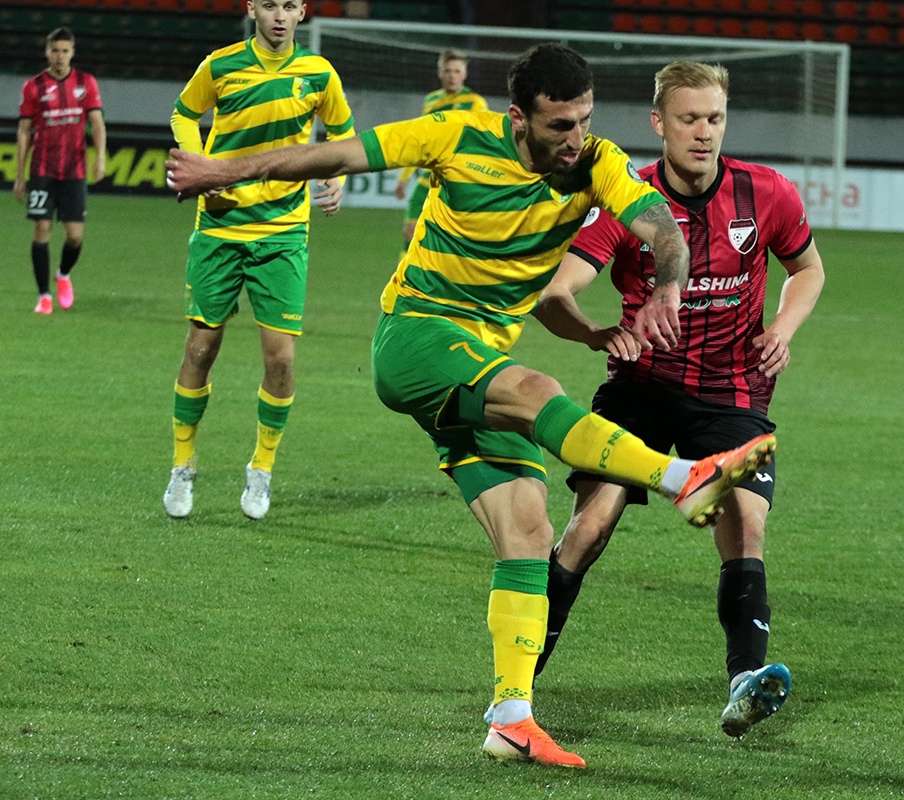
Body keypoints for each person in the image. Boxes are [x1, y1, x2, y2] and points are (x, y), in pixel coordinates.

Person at [164, 42, 777, 769]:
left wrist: (668, 286)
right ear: (519, 119)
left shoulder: (596, 162)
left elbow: (662, 230)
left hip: (477, 366)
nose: (575, 139)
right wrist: (219, 170)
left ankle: (511, 718)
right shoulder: (453, 136)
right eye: (559, 126)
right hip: (416, 338)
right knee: (538, 390)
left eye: (584, 120)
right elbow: (329, 156)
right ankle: (683, 479)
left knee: (527, 526)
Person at [530, 61, 825, 739]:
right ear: (659, 123)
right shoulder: (629, 200)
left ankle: (745, 680)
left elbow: (808, 269)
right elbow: (554, 293)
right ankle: (518, 681)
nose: (704, 132)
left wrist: (783, 328)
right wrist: (596, 333)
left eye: (714, 118)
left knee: (746, 525)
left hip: (732, 392)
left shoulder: (766, 192)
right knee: (591, 526)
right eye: (689, 119)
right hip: (640, 389)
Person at [161, 0, 355, 521]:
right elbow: (183, 113)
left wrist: (334, 175)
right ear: (252, 8)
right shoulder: (221, 65)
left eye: (289, 5)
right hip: (220, 225)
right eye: (269, 4)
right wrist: (200, 163)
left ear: (303, 12)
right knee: (200, 349)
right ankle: (183, 463)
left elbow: (343, 134)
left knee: (281, 360)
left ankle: (262, 468)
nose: (279, 15)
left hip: (283, 232)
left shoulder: (318, 73)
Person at [14, 27, 107, 315]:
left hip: (74, 170)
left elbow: (97, 124)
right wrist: (20, 175)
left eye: (65, 51)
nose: (59, 56)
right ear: (47, 52)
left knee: (75, 236)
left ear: (72, 53)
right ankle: (44, 296)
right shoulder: (34, 87)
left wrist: (100, 158)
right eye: (55, 50)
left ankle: (63, 275)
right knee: (42, 228)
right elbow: (24, 132)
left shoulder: (85, 83)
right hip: (43, 170)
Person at [393, 49, 488, 251]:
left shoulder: (475, 103)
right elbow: (421, 140)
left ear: (465, 74)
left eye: (457, 71)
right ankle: (406, 272)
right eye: (448, 70)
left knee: (451, 241)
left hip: (457, 179)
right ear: (440, 73)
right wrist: (404, 177)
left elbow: (482, 142)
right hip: (429, 176)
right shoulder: (431, 100)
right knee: (410, 231)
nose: (452, 75)